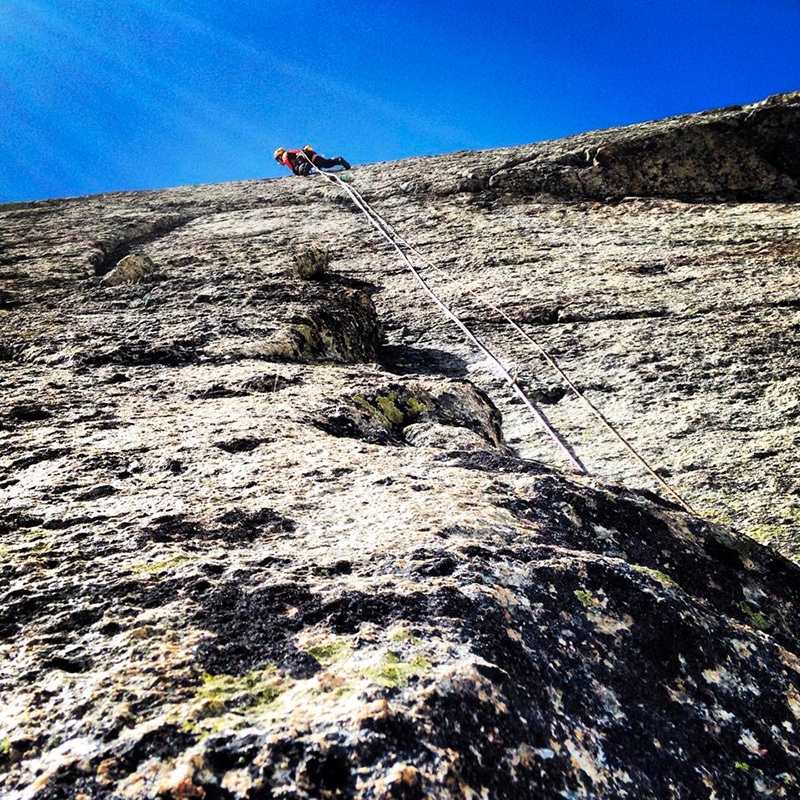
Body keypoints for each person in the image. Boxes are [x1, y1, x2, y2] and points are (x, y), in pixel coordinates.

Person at [274, 145, 351, 176]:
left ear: (279, 157)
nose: (280, 163)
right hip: (312, 156)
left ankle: (306, 166)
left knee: (299, 171)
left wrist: (297, 172)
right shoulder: (293, 151)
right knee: (327, 163)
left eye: (278, 160)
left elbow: (293, 168)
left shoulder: (285, 156)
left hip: (303, 160)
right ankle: (338, 160)